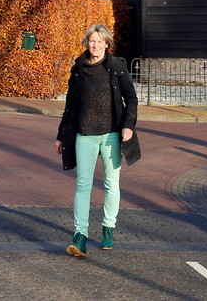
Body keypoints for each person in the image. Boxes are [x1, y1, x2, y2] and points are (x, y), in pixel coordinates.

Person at [54, 23, 139, 257]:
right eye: (92, 41)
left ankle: (108, 229)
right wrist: (61, 135)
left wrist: (128, 126)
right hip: (85, 135)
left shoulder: (117, 66)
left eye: (100, 41)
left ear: (107, 44)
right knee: (83, 185)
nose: (96, 45)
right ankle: (80, 236)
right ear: (87, 43)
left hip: (112, 134)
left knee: (111, 184)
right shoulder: (79, 68)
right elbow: (70, 106)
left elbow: (131, 99)